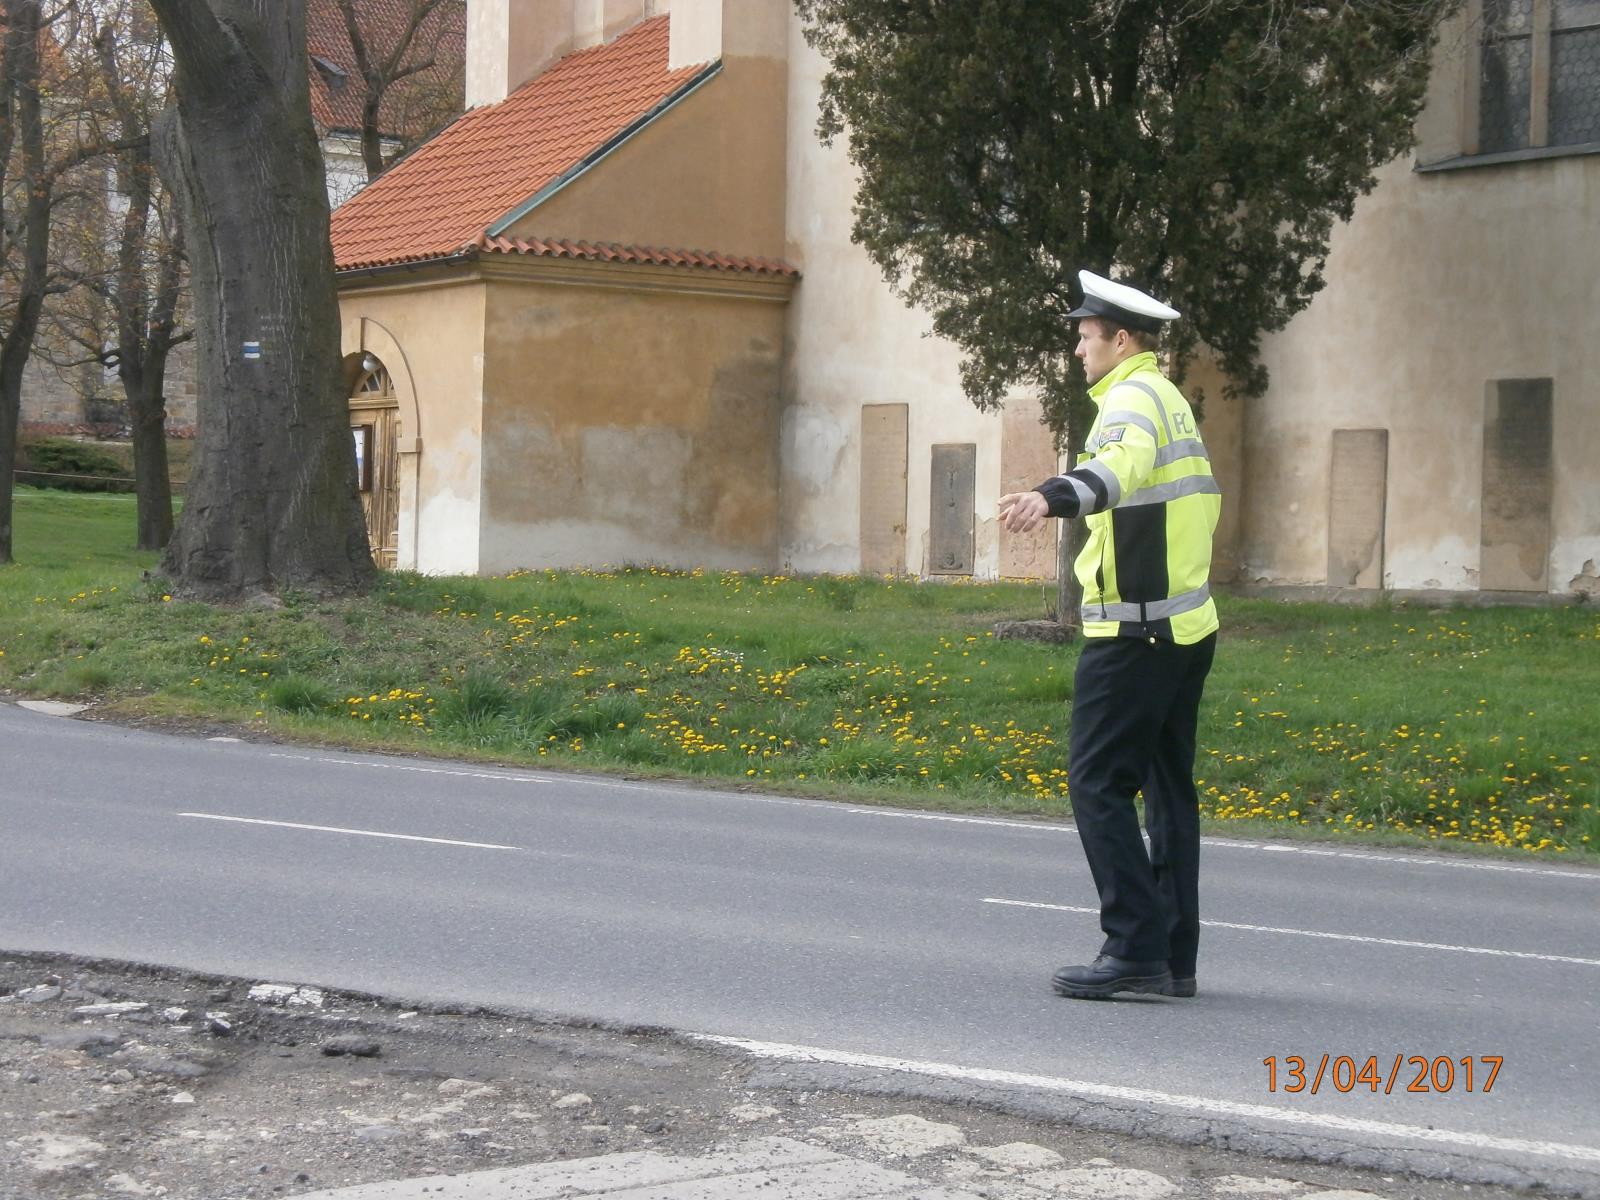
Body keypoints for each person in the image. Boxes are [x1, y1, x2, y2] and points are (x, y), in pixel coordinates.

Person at [998, 270, 1221, 1000]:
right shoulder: (1170, 399)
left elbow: (1113, 472)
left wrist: (1048, 496)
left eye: (1086, 335)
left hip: (1136, 635)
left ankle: (1133, 949)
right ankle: (1172, 957)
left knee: (1097, 783)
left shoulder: (1129, 399)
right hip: (1184, 627)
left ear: (1121, 339)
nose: (1077, 349)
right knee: (1167, 794)